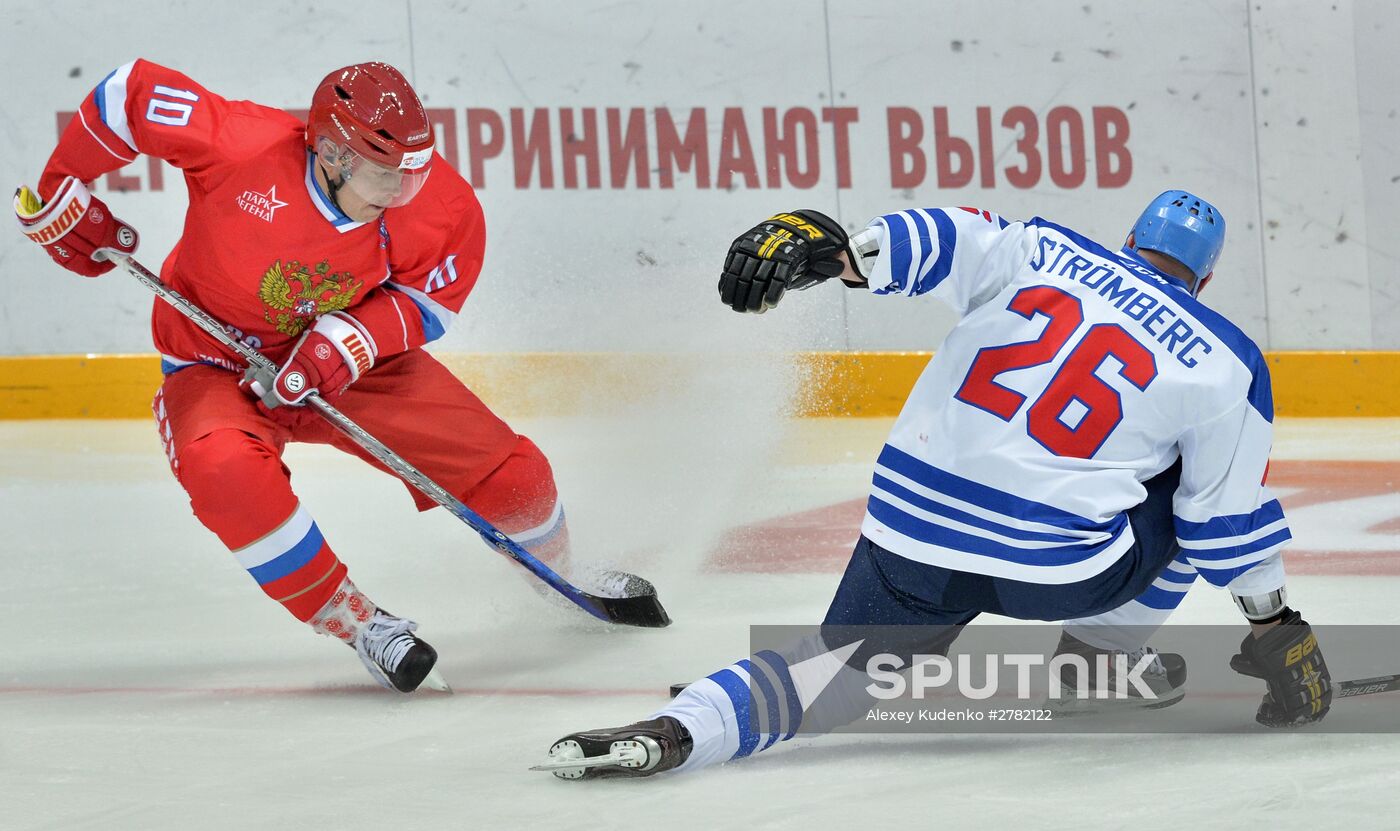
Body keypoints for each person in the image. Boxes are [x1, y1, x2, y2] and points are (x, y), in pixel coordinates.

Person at [536, 192, 1332, 779]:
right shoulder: (1226, 359)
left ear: (1127, 237)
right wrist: (1274, 623)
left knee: (834, 676)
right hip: (1058, 572)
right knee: (1199, 492)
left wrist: (844, 255)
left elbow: (940, 238)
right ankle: (1100, 657)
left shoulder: (1040, 246)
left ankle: (682, 728)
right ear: (1208, 276)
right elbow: (1224, 524)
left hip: (911, 540)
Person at [15, 60, 587, 693]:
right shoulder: (242, 146)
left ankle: (561, 577)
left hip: (348, 366)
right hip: (215, 360)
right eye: (385, 175)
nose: (402, 192)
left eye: (414, 172)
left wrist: (346, 344)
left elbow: (429, 300)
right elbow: (129, 95)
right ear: (334, 154)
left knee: (514, 476)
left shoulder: (437, 203)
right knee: (223, 473)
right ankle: (361, 624)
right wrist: (61, 186)